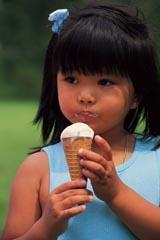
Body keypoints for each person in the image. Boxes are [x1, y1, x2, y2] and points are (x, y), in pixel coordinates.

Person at [2, 1, 160, 239]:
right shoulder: (37, 168)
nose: (85, 96)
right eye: (71, 79)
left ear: (136, 95)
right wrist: (46, 227)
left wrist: (116, 194)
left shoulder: (155, 157)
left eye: (105, 82)